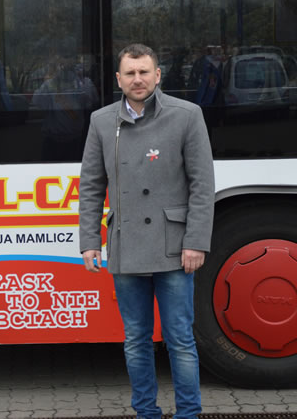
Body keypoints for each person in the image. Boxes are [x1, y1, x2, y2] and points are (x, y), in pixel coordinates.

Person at [78, 43, 215, 419]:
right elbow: (91, 186)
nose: (137, 79)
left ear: (157, 75)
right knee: (136, 340)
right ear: (118, 79)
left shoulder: (187, 115)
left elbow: (202, 185)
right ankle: (146, 413)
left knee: (180, 340)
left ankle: (188, 414)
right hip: (126, 245)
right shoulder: (101, 121)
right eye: (130, 73)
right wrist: (90, 240)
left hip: (174, 248)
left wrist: (195, 241)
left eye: (144, 72)